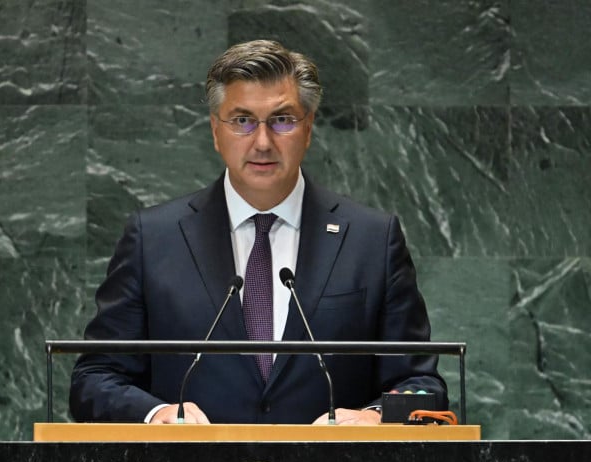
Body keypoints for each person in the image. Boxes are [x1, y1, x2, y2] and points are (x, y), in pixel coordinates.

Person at [69, 39, 447, 425]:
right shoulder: (153, 239)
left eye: (283, 120)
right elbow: (95, 379)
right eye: (242, 120)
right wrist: (157, 414)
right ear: (216, 131)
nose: (263, 142)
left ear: (309, 128)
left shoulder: (372, 239)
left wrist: (377, 417)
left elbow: (421, 386)